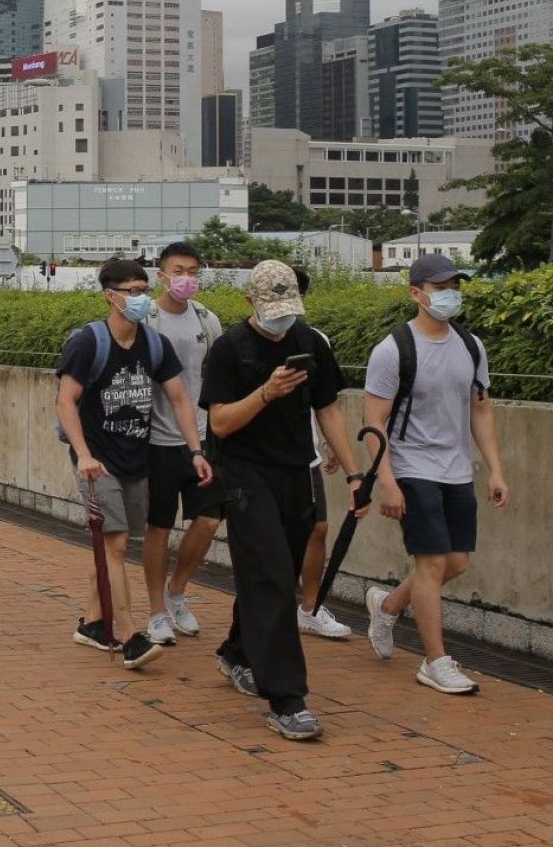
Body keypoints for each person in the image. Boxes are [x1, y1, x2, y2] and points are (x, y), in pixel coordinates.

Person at [199, 259, 362, 742]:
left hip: (296, 472)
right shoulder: (230, 348)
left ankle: (237, 651)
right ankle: (288, 700)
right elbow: (220, 423)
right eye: (273, 309)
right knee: (271, 578)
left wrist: (354, 472)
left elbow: (328, 409)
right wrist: (266, 393)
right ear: (250, 302)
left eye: (290, 308)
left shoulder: (309, 341)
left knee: (275, 573)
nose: (282, 319)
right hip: (245, 475)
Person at [362, 254, 510, 694]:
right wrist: (387, 480)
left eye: (455, 287)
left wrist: (496, 470)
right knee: (430, 564)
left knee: (457, 562)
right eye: (440, 288)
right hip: (412, 466)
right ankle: (435, 661)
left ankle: (388, 606)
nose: (450, 295)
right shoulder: (393, 350)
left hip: (456, 469)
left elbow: (480, 409)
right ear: (416, 293)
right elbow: (374, 422)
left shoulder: (471, 346)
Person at [55, 258, 204, 669]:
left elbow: (179, 399)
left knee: (114, 546)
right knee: (116, 543)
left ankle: (92, 623)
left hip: (136, 458)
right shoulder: (89, 342)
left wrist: (196, 451)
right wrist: (84, 454)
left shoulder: (155, 344)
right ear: (110, 295)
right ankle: (128, 633)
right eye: (132, 291)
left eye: (143, 290)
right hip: (97, 461)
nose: (140, 298)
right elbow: (65, 401)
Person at [140, 243, 224, 645]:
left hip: (204, 438)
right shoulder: (147, 320)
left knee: (208, 520)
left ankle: (177, 590)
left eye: (193, 270)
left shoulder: (207, 320)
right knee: (159, 527)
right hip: (157, 440)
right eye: (178, 271)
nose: (186, 278)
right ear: (161, 275)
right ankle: (156, 611)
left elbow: (216, 373)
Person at [291, 266, 353, 642]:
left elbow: (326, 403)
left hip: (306, 457)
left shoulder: (316, 340)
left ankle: (310, 609)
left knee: (318, 528)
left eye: (296, 293)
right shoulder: (240, 341)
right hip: (259, 463)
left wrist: (332, 445)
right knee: (273, 539)